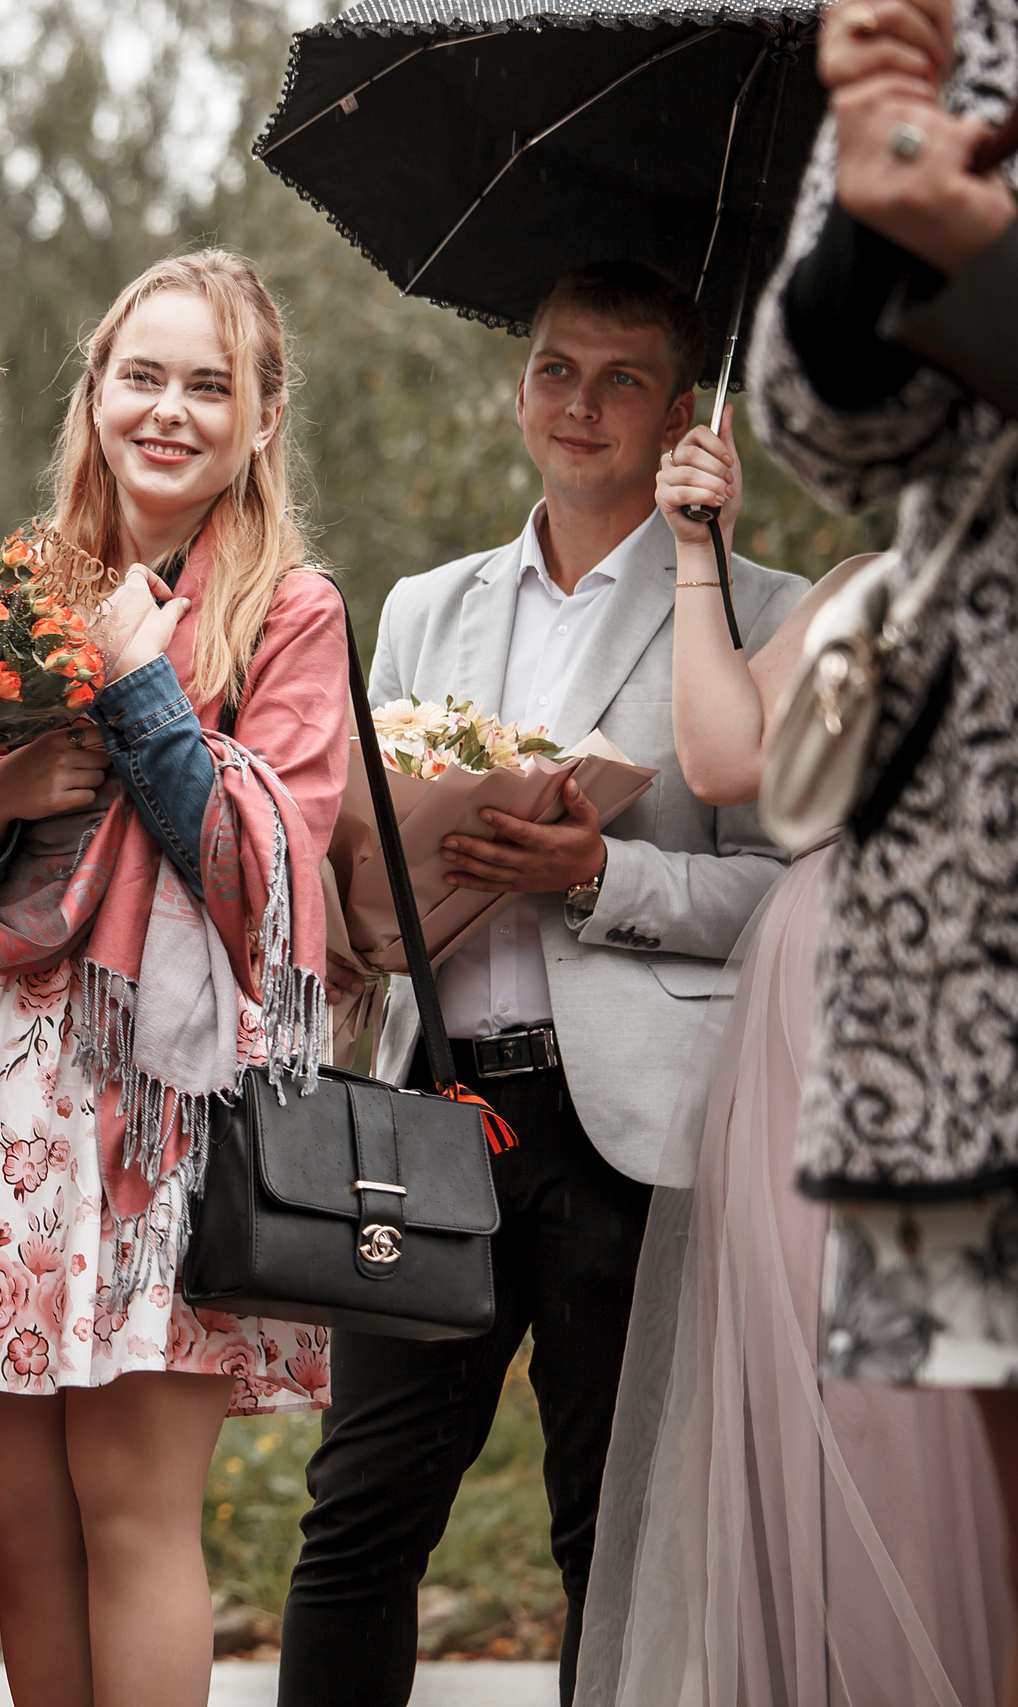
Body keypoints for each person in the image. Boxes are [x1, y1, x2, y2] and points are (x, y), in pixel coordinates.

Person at [276, 260, 809, 1707]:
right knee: (359, 1515)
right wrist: (364, 901)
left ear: (685, 413)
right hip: (434, 1113)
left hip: (630, 1136)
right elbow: (374, 849)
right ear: (521, 385)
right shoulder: (423, 606)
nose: (579, 404)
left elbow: (791, 896)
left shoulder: (767, 610)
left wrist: (593, 876)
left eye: (622, 378)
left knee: (613, 1532)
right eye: (556, 368)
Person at [0, 249, 352, 1707]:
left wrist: (137, 678)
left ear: (262, 416)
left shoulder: (291, 610)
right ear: (95, 391)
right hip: (9, 1084)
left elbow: (260, 876)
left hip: (165, 1102)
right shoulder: (13, 577)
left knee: (132, 1516)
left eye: (209, 384)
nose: (169, 409)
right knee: (25, 1531)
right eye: (142, 375)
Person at [574, 401, 1009, 1703]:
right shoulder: (871, 585)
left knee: (964, 1426)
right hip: (827, 1021)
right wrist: (697, 550)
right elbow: (724, 756)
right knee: (843, 1416)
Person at [746, 0, 1018, 1696]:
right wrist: (869, 205)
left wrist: (972, 246)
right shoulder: (958, 22)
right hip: (961, 883)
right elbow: (821, 425)